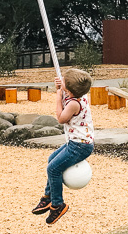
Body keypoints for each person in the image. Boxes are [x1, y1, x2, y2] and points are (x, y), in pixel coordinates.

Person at [31, 68, 94, 225]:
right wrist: (61, 87)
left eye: (64, 81)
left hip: (79, 146)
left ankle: (58, 204)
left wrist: (58, 96)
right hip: (76, 143)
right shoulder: (80, 94)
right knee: (51, 160)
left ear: (69, 90)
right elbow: (70, 92)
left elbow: (61, 118)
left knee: (53, 169)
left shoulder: (73, 104)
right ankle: (48, 197)